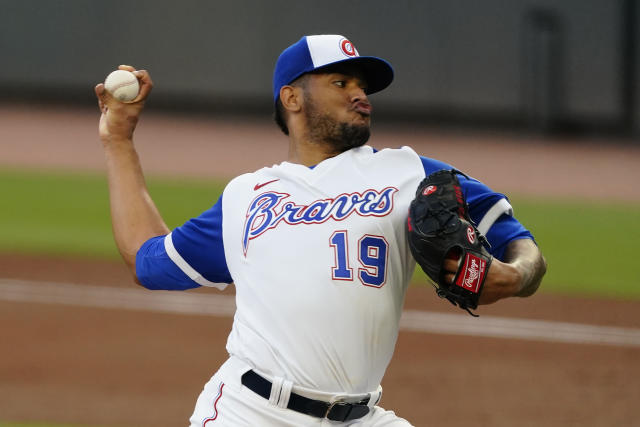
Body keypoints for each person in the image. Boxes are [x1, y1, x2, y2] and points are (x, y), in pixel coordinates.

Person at [95, 34, 546, 426]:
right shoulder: (247, 196)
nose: (360, 94)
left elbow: (518, 242)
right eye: (340, 82)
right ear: (291, 98)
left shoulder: (410, 172)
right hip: (250, 413)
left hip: (362, 416)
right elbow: (147, 260)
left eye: (362, 86)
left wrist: (517, 275)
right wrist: (118, 140)